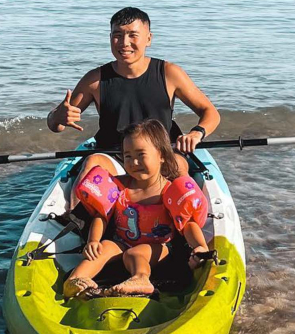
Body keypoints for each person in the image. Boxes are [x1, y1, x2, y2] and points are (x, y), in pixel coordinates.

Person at [45, 7, 220, 208]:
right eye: (117, 35)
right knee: (91, 165)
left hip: (162, 154)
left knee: (180, 166)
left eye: (132, 35)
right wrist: (60, 116)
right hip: (115, 155)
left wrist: (196, 133)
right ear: (110, 37)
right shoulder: (95, 80)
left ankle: (190, 231)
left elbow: (210, 113)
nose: (124, 43)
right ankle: (80, 228)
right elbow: (53, 125)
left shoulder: (169, 73)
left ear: (148, 39)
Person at [63, 120, 212, 298]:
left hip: (159, 247)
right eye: (128, 156)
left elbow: (187, 223)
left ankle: (140, 278)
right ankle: (76, 280)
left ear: (162, 155)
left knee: (134, 254)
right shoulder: (118, 186)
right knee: (102, 249)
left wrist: (200, 247)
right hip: (121, 241)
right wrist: (93, 240)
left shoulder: (169, 191)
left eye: (141, 155)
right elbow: (101, 215)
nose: (134, 162)